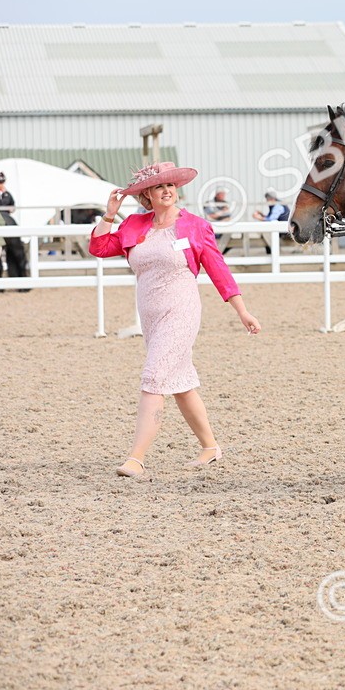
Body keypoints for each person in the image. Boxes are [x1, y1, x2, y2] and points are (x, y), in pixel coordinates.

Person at [88, 162, 261, 478]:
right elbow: (99, 248)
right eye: (158, 187)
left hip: (181, 311)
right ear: (147, 196)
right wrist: (110, 214)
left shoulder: (195, 226)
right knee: (180, 382)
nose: (167, 190)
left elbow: (218, 270)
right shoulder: (134, 226)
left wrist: (242, 310)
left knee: (154, 377)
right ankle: (210, 448)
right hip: (150, 316)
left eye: (170, 186)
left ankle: (136, 458)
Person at [0, 172, 28, 290]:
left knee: (16, 252)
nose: (1, 184)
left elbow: (13, 206)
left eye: (3, 182)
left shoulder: (7, 194)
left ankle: (21, 281)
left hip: (7, 219)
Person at [204, 187, 233, 253]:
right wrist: (222, 212)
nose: (223, 195)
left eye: (224, 194)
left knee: (227, 238)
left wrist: (217, 215)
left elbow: (228, 218)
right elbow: (210, 217)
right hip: (212, 229)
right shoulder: (209, 203)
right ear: (217, 194)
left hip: (222, 230)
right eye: (222, 194)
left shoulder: (225, 203)